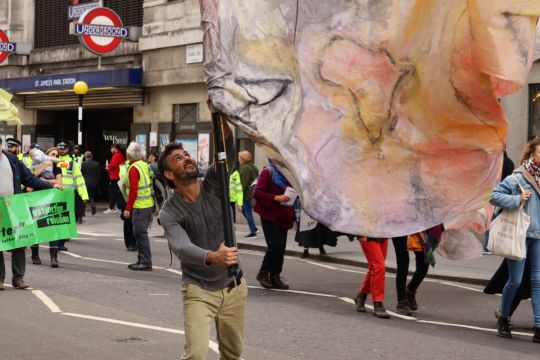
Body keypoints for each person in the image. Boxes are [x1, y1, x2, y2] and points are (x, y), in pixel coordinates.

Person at [158, 112, 247, 360]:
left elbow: (227, 150)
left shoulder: (214, 184)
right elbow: (182, 247)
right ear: (168, 174)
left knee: (232, 354)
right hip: (199, 289)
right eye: (178, 158)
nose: (186, 158)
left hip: (233, 286)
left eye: (186, 154)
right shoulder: (170, 211)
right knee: (196, 355)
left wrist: (221, 118)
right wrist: (213, 256)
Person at [490, 137, 540, 342]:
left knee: (537, 281)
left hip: (538, 236)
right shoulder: (517, 177)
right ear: (531, 155)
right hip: (519, 235)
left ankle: (538, 326)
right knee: (516, 281)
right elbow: (493, 196)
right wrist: (517, 199)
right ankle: (503, 317)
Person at [0, 137, 61, 290]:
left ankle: (18, 278)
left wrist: (49, 186)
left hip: (14, 207)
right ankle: (0, 279)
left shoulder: (12, 160)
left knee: (19, 242)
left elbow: (29, 179)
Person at [253, 161, 295, 290]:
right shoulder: (268, 172)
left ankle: (275, 276)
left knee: (281, 248)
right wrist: (276, 197)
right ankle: (263, 272)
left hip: (284, 215)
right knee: (275, 245)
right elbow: (257, 193)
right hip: (269, 214)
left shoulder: (290, 175)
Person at [123, 142, 155, 271]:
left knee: (140, 234)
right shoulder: (144, 165)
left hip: (140, 206)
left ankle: (145, 261)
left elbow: (134, 191)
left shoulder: (134, 168)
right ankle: (142, 259)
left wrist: (127, 208)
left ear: (130, 155)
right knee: (140, 233)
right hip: (147, 204)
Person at [32, 147, 64, 267]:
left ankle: (54, 258)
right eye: (52, 154)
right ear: (47, 155)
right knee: (36, 226)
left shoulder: (57, 168)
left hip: (51, 199)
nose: (54, 156)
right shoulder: (37, 165)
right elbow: (33, 177)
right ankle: (35, 255)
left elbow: (59, 182)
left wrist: (43, 180)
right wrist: (45, 165)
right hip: (38, 199)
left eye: (56, 155)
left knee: (52, 226)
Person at [57, 140, 89, 246]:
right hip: (54, 195)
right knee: (56, 220)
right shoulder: (52, 160)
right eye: (60, 148)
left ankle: (61, 243)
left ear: (67, 149)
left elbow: (79, 180)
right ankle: (57, 243)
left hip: (68, 195)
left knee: (67, 219)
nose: (61, 150)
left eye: (63, 148)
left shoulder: (72, 163)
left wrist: (84, 195)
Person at [392, 235, 429, 315]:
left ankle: (410, 290)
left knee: (424, 264)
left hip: (418, 231)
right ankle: (401, 303)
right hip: (399, 231)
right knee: (403, 266)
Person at [354, 237, 391, 318]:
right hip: (367, 233)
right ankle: (378, 303)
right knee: (379, 267)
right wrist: (360, 234)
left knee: (375, 268)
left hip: (382, 234)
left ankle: (362, 295)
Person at [238, 150, 259, 237]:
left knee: (247, 211)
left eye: (239, 157)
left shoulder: (245, 168)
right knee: (245, 211)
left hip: (247, 194)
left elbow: (243, 183)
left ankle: (253, 231)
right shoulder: (253, 166)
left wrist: (238, 195)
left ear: (243, 158)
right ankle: (253, 228)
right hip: (252, 193)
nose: (238, 159)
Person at [118, 158, 136, 252]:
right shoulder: (124, 166)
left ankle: (135, 242)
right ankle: (130, 243)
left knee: (137, 222)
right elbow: (123, 180)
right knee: (128, 221)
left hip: (138, 199)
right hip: (126, 197)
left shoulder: (142, 165)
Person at [105, 144, 125, 214]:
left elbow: (113, 165)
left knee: (112, 193)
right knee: (118, 193)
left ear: (114, 148)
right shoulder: (121, 155)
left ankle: (111, 208)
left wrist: (108, 166)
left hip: (114, 177)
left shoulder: (116, 155)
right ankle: (119, 208)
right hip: (120, 177)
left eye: (111, 148)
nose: (111, 150)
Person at [81, 151, 101, 216]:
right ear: (91, 156)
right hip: (94, 183)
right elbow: (99, 174)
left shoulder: (83, 164)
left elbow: (82, 174)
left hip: (86, 183)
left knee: (84, 197)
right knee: (91, 196)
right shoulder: (97, 164)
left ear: (85, 156)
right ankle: (93, 206)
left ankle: (83, 212)